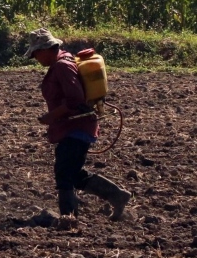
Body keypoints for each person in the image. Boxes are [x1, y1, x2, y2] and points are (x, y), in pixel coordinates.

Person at [25, 28, 131, 223]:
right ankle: (117, 195)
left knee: (64, 173)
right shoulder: (63, 61)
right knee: (72, 172)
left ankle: (68, 218)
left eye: (35, 54)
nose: (35, 58)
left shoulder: (61, 67)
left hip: (76, 128)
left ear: (46, 49)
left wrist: (51, 116)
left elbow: (75, 99)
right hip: (75, 128)